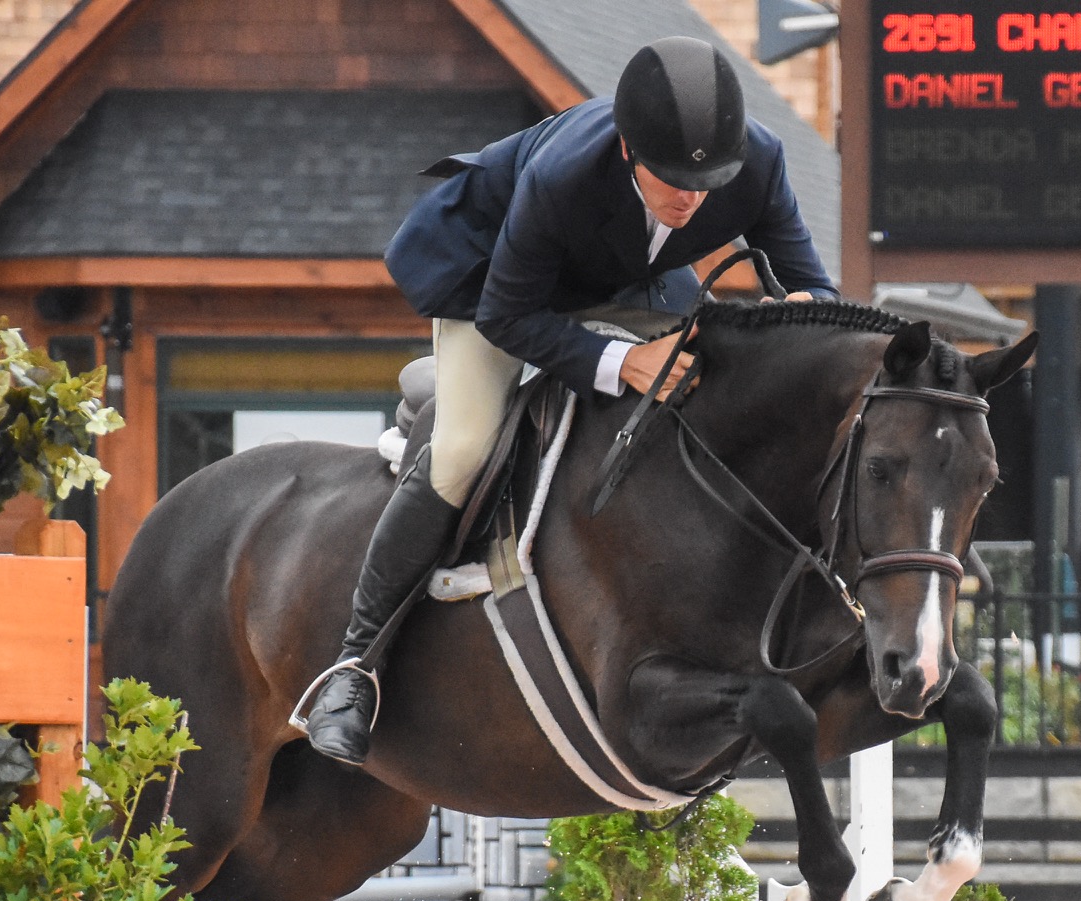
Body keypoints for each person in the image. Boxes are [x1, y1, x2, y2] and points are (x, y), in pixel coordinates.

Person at [300, 37, 838, 764]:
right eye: (672, 180)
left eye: (708, 182)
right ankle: (353, 668)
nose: (691, 200)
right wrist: (623, 361)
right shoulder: (564, 174)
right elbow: (508, 316)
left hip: (624, 283)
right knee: (461, 451)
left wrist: (810, 316)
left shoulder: (756, 160)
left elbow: (811, 284)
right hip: (496, 284)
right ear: (626, 151)